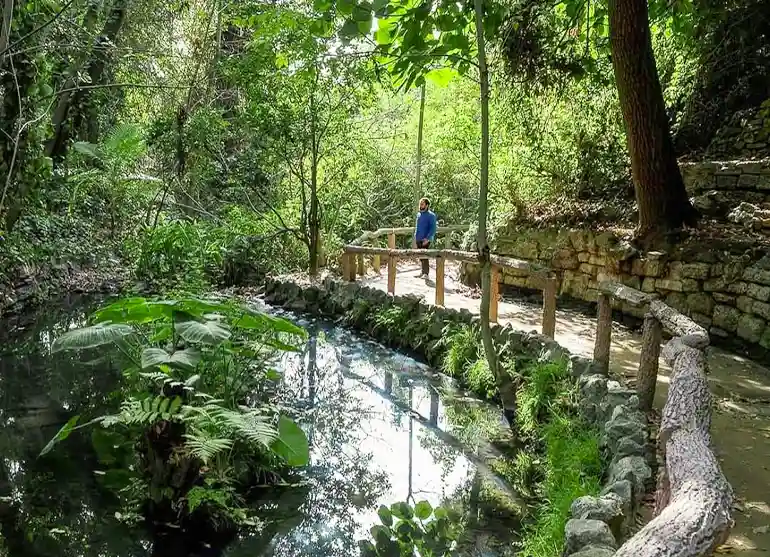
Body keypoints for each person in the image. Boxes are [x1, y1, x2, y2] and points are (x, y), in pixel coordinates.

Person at [414, 197, 437, 279]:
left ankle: (426, 273)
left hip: (426, 239)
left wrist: (427, 239)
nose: (421, 205)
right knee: (420, 256)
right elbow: (417, 227)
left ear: (427, 205)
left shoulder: (431, 215)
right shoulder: (419, 214)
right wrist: (415, 238)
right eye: (420, 203)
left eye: (422, 204)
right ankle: (422, 272)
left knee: (425, 255)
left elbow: (433, 228)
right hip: (418, 238)